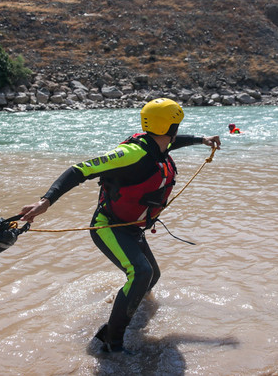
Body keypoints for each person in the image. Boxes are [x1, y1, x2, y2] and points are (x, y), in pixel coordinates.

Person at [19, 98, 221, 354]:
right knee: (141, 273)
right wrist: (46, 201)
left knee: (151, 276)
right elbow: (80, 169)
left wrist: (202, 140)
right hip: (108, 226)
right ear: (170, 128)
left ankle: (127, 313)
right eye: (177, 126)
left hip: (131, 227)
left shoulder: (158, 144)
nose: (177, 132)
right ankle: (111, 342)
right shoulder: (132, 154)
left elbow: (170, 143)